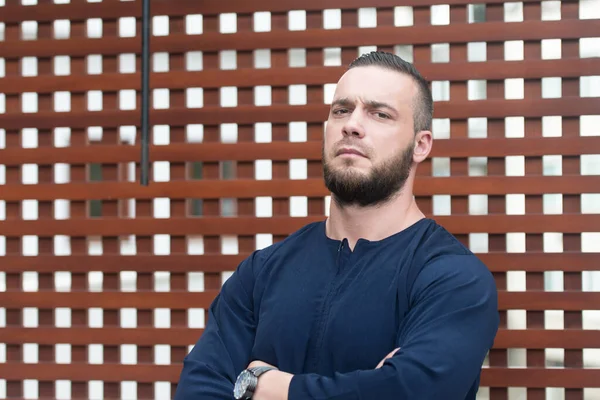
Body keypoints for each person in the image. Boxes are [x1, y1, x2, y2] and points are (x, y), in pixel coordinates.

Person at [173, 51, 499, 400]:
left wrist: (270, 389)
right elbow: (198, 390)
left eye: (379, 114)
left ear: (420, 145)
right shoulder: (263, 271)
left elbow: (407, 393)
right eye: (341, 110)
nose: (352, 124)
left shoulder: (453, 280)